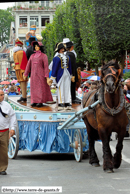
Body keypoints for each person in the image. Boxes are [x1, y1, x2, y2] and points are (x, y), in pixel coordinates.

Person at [23, 41, 53, 107]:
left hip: (41, 75)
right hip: (33, 75)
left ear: (40, 47)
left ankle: (40, 101)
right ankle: (34, 101)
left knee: (40, 88)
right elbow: (28, 66)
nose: (36, 47)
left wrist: (47, 77)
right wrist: (25, 74)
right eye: (35, 46)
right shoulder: (32, 56)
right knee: (33, 88)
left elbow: (46, 67)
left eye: (37, 46)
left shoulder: (44, 56)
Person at [50, 42, 74, 110]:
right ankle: (61, 102)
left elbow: (70, 67)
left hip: (67, 74)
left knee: (67, 88)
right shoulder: (56, 58)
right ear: (59, 49)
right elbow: (54, 68)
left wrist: (71, 75)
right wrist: (52, 78)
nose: (63, 49)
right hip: (60, 75)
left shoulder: (67, 57)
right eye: (62, 48)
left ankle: (67, 101)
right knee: (60, 88)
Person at [0, 90, 17, 175]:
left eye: (3, 95)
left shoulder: (7, 105)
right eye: (0, 95)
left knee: (3, 151)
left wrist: (12, 128)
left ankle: (2, 169)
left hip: (4, 131)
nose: (2, 96)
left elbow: (12, 116)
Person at [63, 38, 79, 103]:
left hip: (67, 72)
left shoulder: (66, 54)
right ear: (71, 47)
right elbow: (73, 65)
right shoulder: (71, 54)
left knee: (69, 86)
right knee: (72, 85)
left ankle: (70, 98)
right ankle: (73, 98)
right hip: (72, 72)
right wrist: (73, 74)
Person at [13, 38, 28, 103]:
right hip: (18, 68)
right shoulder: (20, 52)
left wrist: (24, 71)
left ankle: (24, 96)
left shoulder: (20, 52)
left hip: (20, 68)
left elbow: (23, 62)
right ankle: (23, 96)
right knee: (22, 82)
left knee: (23, 82)